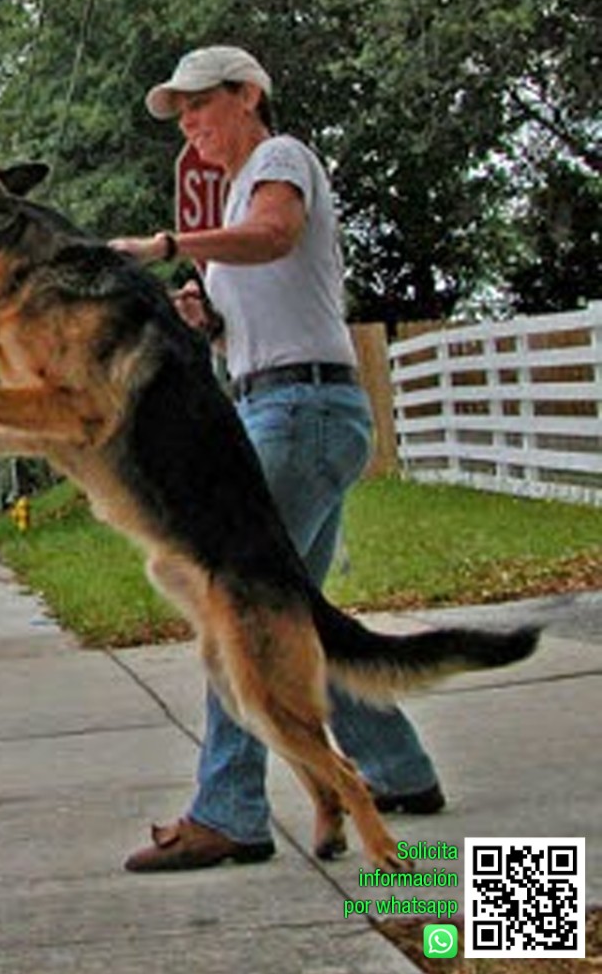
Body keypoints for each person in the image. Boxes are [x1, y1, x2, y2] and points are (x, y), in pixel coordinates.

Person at [109, 45, 445, 873]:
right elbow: (262, 289)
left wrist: (163, 248)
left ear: (248, 94)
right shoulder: (235, 196)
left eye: (201, 104)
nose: (188, 123)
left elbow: (275, 234)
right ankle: (400, 771)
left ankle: (228, 811)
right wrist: (206, 313)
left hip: (300, 410)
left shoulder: (278, 161)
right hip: (293, 405)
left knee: (241, 615)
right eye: (179, 112)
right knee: (295, 616)